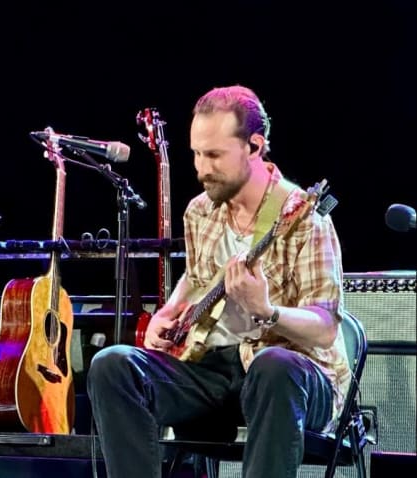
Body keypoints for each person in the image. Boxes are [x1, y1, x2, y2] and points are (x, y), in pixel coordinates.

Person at [87, 85, 351, 478]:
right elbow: (196, 278)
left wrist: (268, 312)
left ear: (255, 146)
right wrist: (169, 312)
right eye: (196, 153)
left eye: (213, 155)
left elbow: (327, 328)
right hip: (213, 370)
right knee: (113, 364)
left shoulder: (305, 219)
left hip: (293, 379)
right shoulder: (199, 211)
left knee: (274, 365)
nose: (200, 168)